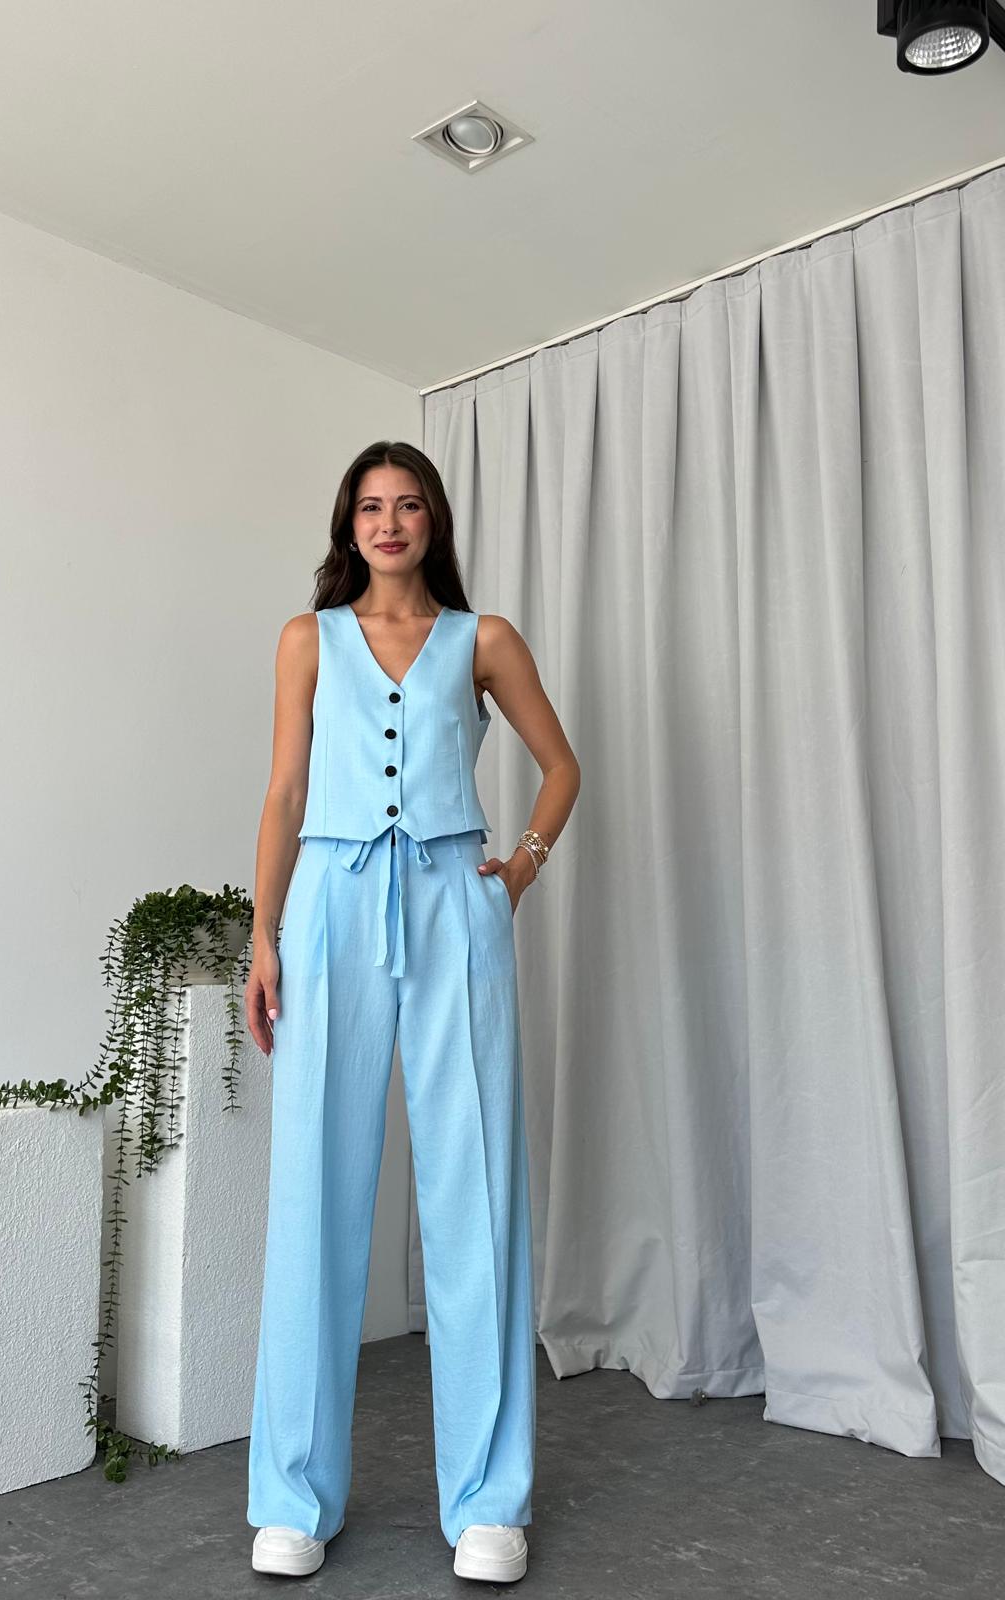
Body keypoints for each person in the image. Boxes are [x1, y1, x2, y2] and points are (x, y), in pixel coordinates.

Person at [244, 440, 581, 1583]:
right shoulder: (308, 638)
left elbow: (561, 766)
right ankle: (294, 1494)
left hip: (453, 902)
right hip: (331, 906)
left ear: (434, 520)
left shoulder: (484, 640)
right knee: (314, 1191)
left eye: (409, 504)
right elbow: (286, 789)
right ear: (348, 525)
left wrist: (519, 869)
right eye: (370, 506)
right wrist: (264, 935)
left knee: (474, 1190)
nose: (389, 522)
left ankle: (490, 1500)